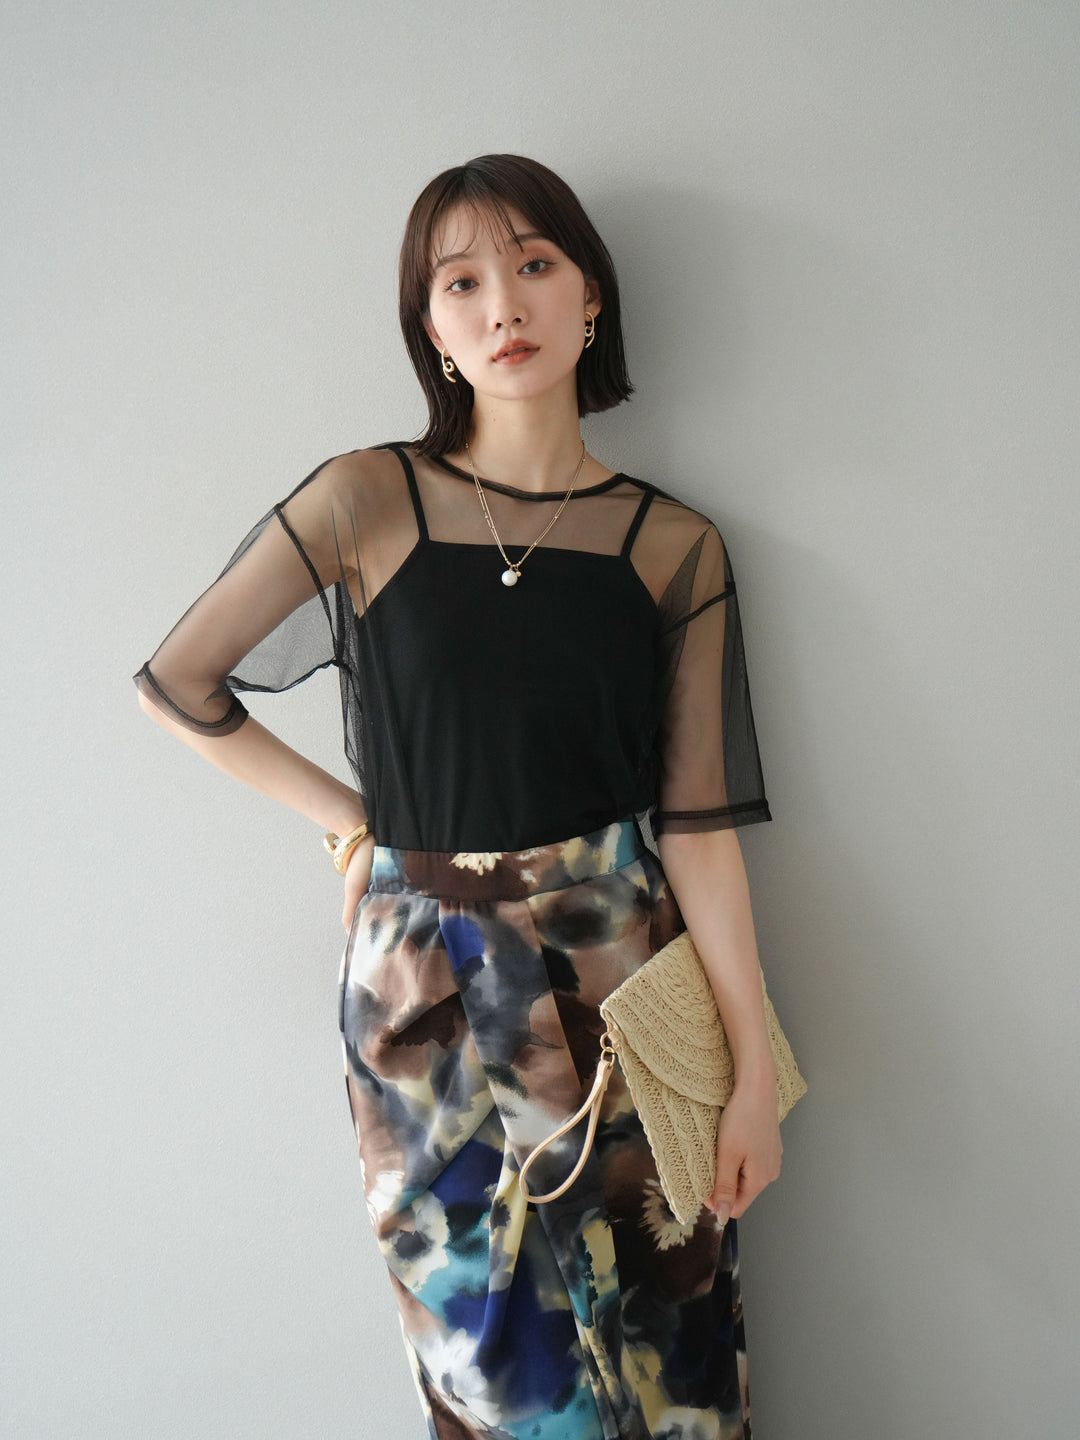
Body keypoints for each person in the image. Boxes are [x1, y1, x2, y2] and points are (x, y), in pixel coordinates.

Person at [133, 153, 783, 1440]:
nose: (505, 306)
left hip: (621, 976)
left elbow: (699, 829)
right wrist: (352, 824)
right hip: (419, 994)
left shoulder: (673, 546)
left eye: (534, 264)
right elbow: (180, 682)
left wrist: (754, 1068)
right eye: (463, 282)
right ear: (430, 329)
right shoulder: (364, 499)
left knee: (669, 1340)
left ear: (590, 298)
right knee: (490, 1367)